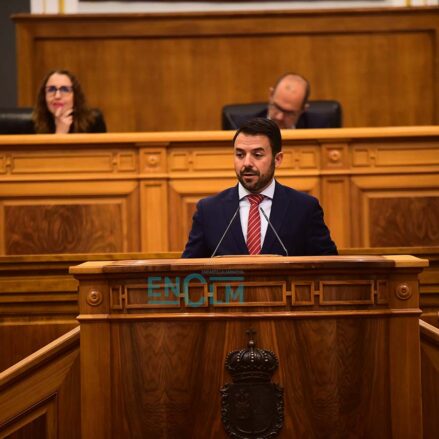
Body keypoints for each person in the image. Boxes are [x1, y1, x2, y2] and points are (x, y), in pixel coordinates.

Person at [182, 118, 337, 258]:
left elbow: (330, 268)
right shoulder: (209, 210)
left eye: (257, 155)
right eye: (240, 155)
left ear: (277, 159)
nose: (247, 163)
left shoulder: (304, 208)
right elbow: (188, 272)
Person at [32, 69, 106, 134]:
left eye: (64, 89)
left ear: (75, 96)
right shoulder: (32, 125)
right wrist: (60, 132)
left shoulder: (93, 122)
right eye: (51, 89)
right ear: (43, 96)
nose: (57, 96)